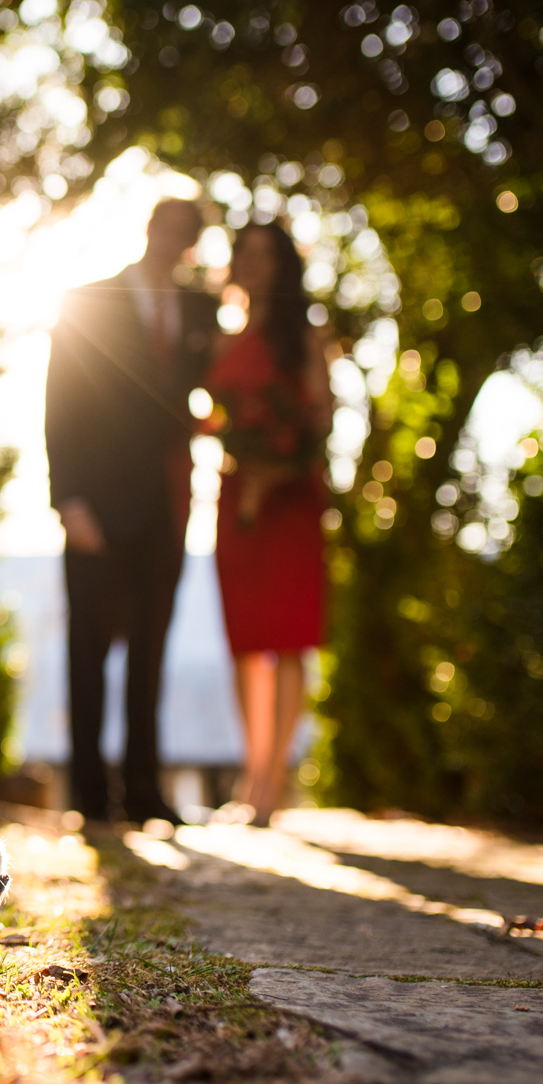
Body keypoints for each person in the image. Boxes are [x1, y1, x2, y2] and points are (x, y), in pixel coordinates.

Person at [45, 199, 217, 824]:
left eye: (187, 233)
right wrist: (69, 500)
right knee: (87, 653)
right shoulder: (90, 301)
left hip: (168, 507)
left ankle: (145, 790)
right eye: (167, 227)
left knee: (151, 652)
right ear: (147, 229)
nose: (174, 240)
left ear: (194, 243)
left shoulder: (203, 310)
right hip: (99, 503)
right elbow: (60, 404)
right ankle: (91, 799)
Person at [202, 221, 333, 825]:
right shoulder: (223, 340)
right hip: (236, 498)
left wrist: (275, 472)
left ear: (283, 266)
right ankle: (252, 771)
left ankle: (271, 784)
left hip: (288, 498)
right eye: (244, 254)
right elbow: (208, 418)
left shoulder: (305, 337)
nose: (253, 264)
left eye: (265, 255)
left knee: (287, 638)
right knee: (246, 638)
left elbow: (321, 418)